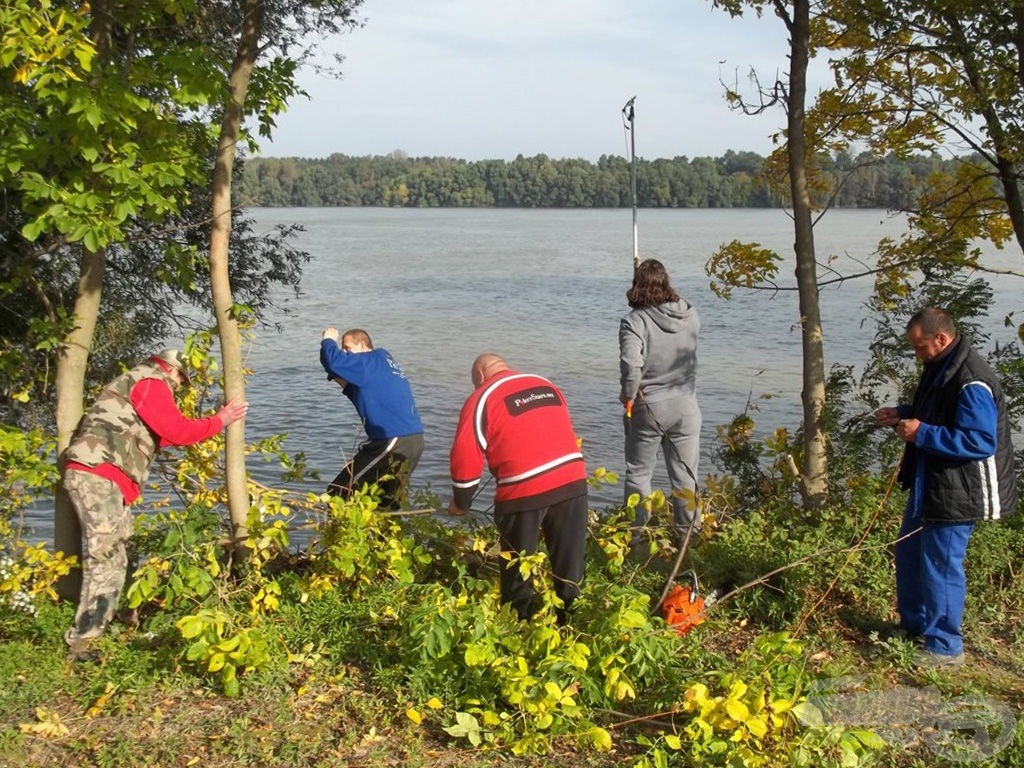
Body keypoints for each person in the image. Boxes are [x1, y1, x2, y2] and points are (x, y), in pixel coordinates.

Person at [61, 348, 248, 658]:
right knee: (106, 557)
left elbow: (166, 433)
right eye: (180, 382)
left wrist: (213, 420)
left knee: (125, 550)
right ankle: (83, 642)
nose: (177, 389)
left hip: (104, 477)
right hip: (98, 476)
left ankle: (124, 620)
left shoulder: (136, 383)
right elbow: (177, 430)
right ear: (172, 371)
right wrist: (222, 419)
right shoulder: (151, 382)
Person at [874, 307, 1017, 669]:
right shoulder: (941, 366)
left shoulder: (971, 379)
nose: (917, 354)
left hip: (959, 488)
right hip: (931, 480)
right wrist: (903, 413)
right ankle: (914, 627)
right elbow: (937, 413)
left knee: (941, 564)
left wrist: (921, 432)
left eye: (920, 347)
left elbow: (980, 441)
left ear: (941, 338)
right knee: (907, 553)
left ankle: (945, 646)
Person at [448, 353, 588, 623]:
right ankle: (572, 625)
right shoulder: (543, 383)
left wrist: (461, 503)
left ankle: (518, 629)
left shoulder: (481, 398)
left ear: (479, 376)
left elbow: (465, 457)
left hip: (522, 491)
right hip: (573, 480)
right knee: (570, 566)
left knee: (517, 568)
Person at [618, 258, 702, 547]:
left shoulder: (634, 321)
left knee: (639, 474)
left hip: (650, 407)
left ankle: (636, 540)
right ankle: (690, 540)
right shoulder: (691, 314)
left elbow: (631, 364)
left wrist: (627, 395)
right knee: (685, 477)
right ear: (667, 283)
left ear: (637, 286)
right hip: (687, 406)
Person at [319, 327, 424, 509]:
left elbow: (334, 361)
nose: (345, 353)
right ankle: (376, 536)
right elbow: (332, 366)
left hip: (393, 440)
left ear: (362, 344)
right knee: (385, 505)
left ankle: (338, 535)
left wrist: (328, 340)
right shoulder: (377, 368)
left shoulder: (369, 361)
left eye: (347, 348)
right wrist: (331, 361)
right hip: (411, 439)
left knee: (337, 493)